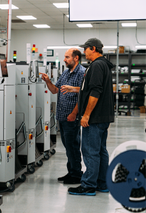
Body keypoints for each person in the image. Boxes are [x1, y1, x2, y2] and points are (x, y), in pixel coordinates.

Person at [68, 38, 114, 196]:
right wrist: (76, 90)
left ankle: (88, 185)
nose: (83, 52)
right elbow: (89, 89)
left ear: (93, 48)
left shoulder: (96, 66)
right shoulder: (104, 65)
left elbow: (95, 92)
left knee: (90, 151)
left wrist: (86, 115)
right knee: (100, 150)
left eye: (85, 49)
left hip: (94, 118)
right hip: (103, 117)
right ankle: (102, 183)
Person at [41, 48, 85, 184]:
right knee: (68, 146)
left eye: (67, 57)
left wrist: (73, 113)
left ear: (76, 58)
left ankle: (76, 174)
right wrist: (48, 81)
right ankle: (71, 171)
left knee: (72, 146)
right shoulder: (66, 73)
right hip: (62, 116)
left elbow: (83, 94)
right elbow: (55, 90)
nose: (64, 60)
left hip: (72, 117)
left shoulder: (82, 73)